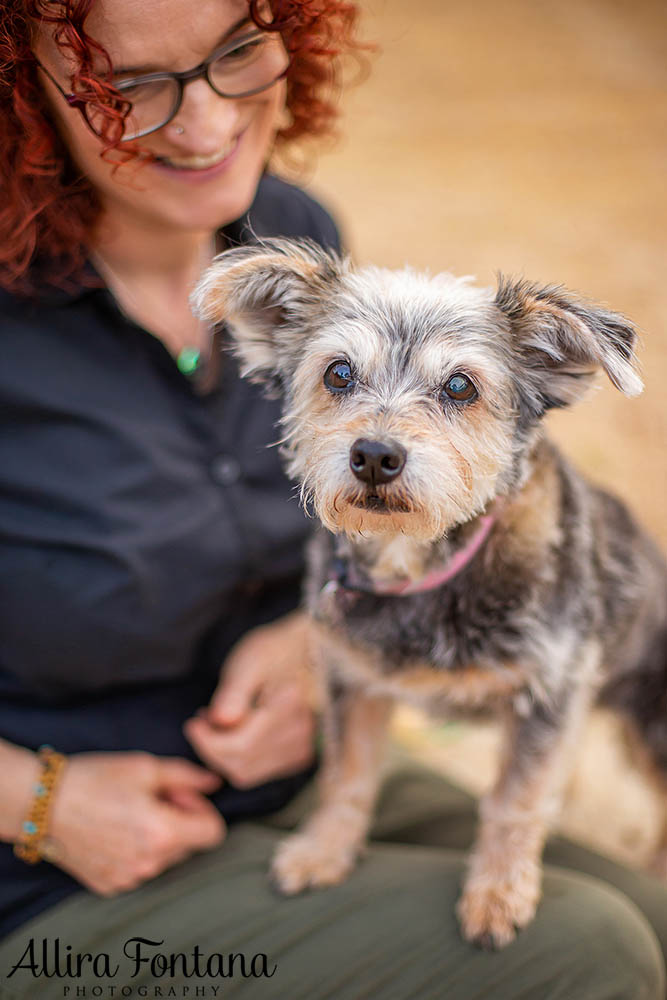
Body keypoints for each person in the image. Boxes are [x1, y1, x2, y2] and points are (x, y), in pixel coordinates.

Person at [0, 1, 665, 997]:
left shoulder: (291, 235)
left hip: (299, 779)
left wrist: (303, 639)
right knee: (588, 948)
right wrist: (36, 799)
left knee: (653, 923)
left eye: (234, 51)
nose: (207, 122)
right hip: (57, 871)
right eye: (127, 84)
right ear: (28, 95)